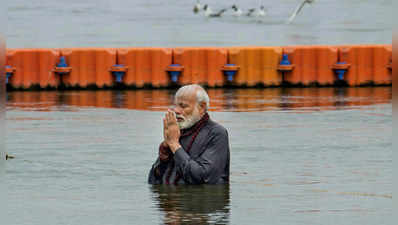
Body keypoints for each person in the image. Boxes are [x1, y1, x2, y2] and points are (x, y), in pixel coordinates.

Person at [148, 84, 230, 185]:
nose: (176, 110)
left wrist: (174, 145)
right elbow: (152, 180)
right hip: (168, 198)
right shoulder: (178, 131)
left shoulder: (217, 133)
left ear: (202, 107)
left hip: (199, 199)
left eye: (183, 106)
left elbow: (203, 178)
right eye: (176, 105)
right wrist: (165, 151)